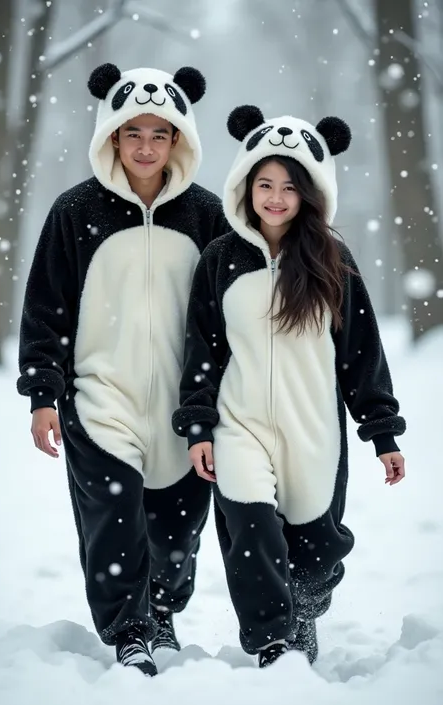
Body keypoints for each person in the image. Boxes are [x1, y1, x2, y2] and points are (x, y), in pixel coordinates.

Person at [172, 105, 406, 669]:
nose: (275, 197)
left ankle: (305, 607)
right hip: (241, 425)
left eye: (289, 187)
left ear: (309, 193)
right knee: (251, 535)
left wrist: (383, 433)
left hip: (314, 433)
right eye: (264, 184)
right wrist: (199, 426)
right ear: (246, 185)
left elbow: (361, 357)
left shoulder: (332, 262)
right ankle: (274, 645)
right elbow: (201, 351)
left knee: (318, 551)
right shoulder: (219, 259)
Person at [17, 63, 228, 676]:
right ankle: (128, 630)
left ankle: (162, 610)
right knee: (113, 521)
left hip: (184, 406)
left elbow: (227, 316)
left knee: (175, 533)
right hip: (100, 397)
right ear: (111, 135)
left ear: (178, 139)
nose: (144, 146)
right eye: (131, 132)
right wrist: (43, 394)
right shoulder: (75, 211)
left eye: (158, 133)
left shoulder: (206, 215)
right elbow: (45, 308)